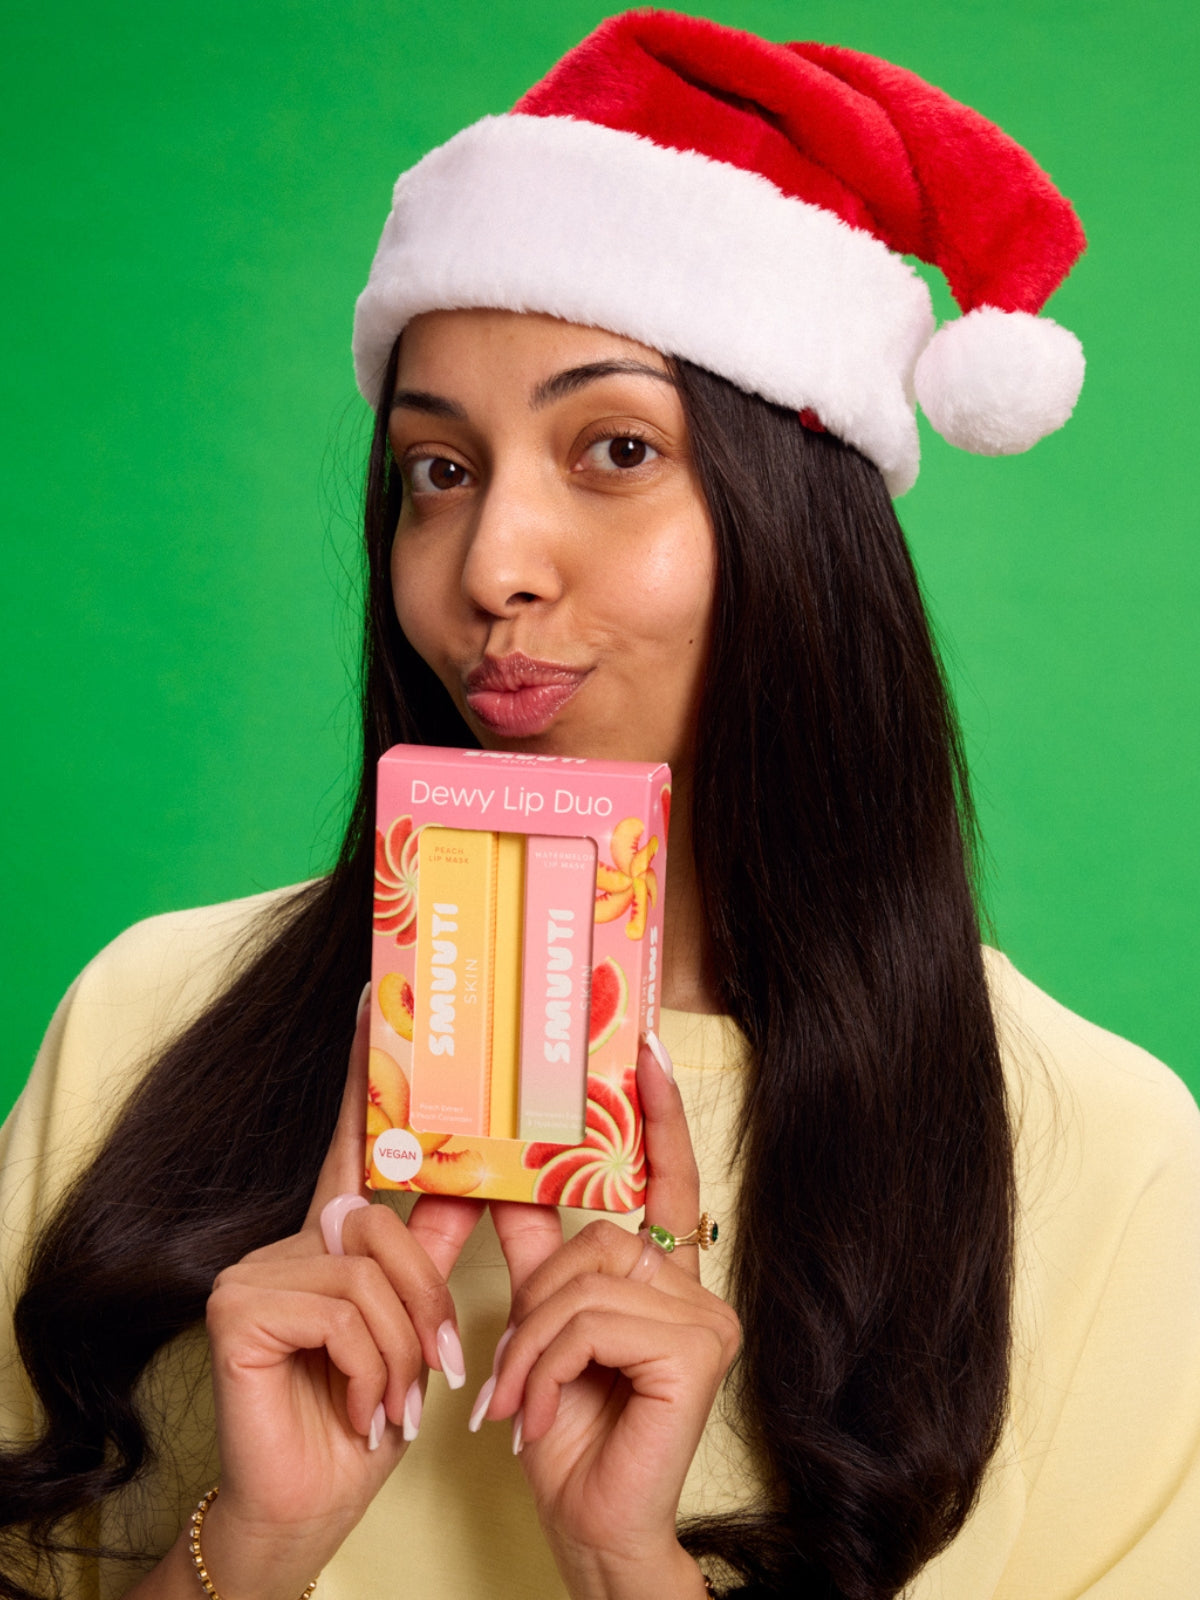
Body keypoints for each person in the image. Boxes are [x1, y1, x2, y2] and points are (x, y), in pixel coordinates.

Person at [2, 12, 1198, 1600]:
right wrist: (260, 1539)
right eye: (437, 470)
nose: (489, 564)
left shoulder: (1110, 1158)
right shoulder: (149, 1016)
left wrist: (627, 1561)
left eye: (615, 448)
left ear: (802, 523)